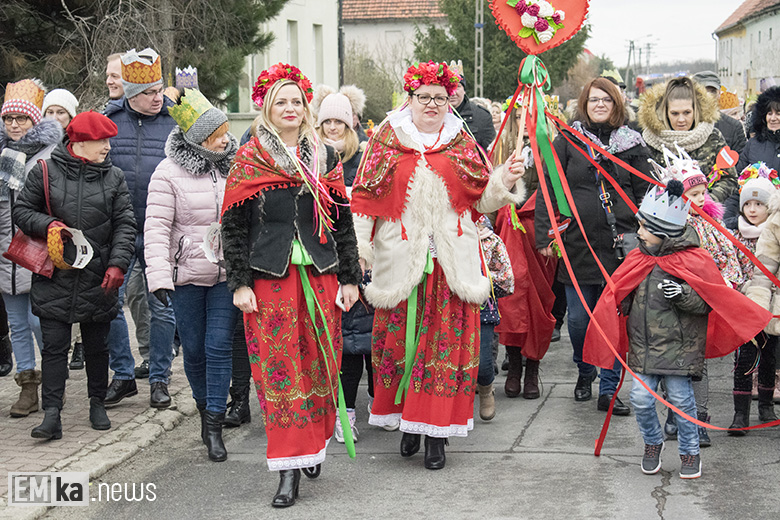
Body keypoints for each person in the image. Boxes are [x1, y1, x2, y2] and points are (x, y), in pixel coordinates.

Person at [351, 60, 524, 470]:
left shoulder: (461, 143)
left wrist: (504, 179)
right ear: (409, 99)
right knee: (401, 349)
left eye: (440, 98)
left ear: (451, 102)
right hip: (400, 264)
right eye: (424, 97)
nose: (432, 104)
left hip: (450, 266)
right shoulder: (386, 140)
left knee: (441, 353)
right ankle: (410, 423)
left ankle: (435, 438)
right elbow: (364, 201)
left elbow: (481, 201)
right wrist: (360, 250)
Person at [220, 62, 361, 507]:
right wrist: (240, 283)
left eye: (296, 102)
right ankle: (288, 469)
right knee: (281, 372)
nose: (289, 108)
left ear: (306, 109)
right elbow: (233, 225)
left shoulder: (326, 156)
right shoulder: (250, 158)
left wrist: (351, 277)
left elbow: (342, 221)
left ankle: (313, 443)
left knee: (320, 364)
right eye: (280, 101)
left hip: (320, 275)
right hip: (269, 279)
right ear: (266, 107)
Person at [583, 174, 772, 480]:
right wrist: (619, 303)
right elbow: (622, 294)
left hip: (681, 351)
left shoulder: (694, 260)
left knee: (683, 404)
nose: (639, 232)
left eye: (645, 228)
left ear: (664, 233)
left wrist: (684, 295)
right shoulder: (637, 258)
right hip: (645, 347)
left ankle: (690, 451)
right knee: (641, 400)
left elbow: (708, 302)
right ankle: (652, 443)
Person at [13, 111, 135, 440]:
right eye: (102, 140)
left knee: (98, 347)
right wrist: (49, 224)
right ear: (79, 143)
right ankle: (52, 414)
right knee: (54, 348)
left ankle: (97, 403)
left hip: (99, 276)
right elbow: (22, 211)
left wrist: (118, 264)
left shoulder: (115, 178)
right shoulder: (44, 172)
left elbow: (126, 225)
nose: (108, 146)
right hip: (55, 276)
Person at [535, 77, 651, 414]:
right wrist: (544, 234)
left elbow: (645, 193)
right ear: (584, 104)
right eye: (594, 100)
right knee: (579, 322)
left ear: (617, 104)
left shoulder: (633, 144)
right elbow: (546, 187)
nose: (600, 105)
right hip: (577, 245)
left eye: (607, 100)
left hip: (621, 248)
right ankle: (585, 370)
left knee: (613, 318)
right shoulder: (568, 141)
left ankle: (609, 388)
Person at [144, 88, 239, 461]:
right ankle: (204, 409)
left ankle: (215, 424)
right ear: (198, 139)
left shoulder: (235, 165)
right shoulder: (168, 173)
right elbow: (155, 228)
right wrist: (159, 277)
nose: (225, 138)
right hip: (185, 276)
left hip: (226, 274)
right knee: (195, 350)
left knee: (218, 346)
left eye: (226, 131)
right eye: (217, 134)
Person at [103, 48, 177, 409]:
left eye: (160, 89)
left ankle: (160, 378)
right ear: (131, 93)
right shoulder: (108, 121)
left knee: (160, 306)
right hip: (117, 230)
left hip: (159, 229)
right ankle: (122, 374)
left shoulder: (175, 124)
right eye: (149, 92)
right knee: (109, 303)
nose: (157, 97)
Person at [312, 87, 376, 441]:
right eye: (327, 122)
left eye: (339, 121)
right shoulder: (312, 158)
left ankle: (378, 400)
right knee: (348, 343)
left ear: (350, 125)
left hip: (366, 257)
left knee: (373, 340)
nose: (333, 128)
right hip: (329, 259)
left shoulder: (363, 159)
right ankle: (345, 410)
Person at [1, 79, 62, 418]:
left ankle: (55, 381)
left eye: (21, 119)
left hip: (38, 249)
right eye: (8, 118)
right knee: (18, 324)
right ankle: (27, 386)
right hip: (3, 252)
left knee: (41, 322)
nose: (14, 125)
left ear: (35, 121)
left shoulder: (49, 156)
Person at [493, 97, 558, 400]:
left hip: (541, 234)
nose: (526, 122)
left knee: (539, 302)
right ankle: (515, 364)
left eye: (533, 117)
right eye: (520, 117)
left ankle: (533, 367)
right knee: (513, 299)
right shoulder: (502, 152)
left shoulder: (554, 153)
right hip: (509, 233)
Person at [730, 171, 779, 434]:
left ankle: (766, 406)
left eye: (759, 204)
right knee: (746, 356)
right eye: (748, 203)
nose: (752, 209)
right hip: (744, 304)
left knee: (770, 354)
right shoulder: (732, 235)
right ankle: (741, 413)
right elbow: (728, 266)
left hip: (773, 305)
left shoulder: (775, 229)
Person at [638, 77, 737, 203]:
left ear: (696, 111)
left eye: (687, 112)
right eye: (674, 113)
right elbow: (642, 184)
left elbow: (729, 179)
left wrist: (705, 201)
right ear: (664, 113)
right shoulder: (649, 141)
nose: (681, 120)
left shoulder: (713, 137)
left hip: (705, 214)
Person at [724, 87, 780, 229]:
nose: (773, 118)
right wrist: (728, 220)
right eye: (769, 113)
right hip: (753, 221)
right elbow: (737, 185)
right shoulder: (753, 145)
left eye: (778, 113)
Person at [476, 215, 514, 420]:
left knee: (483, 362)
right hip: (450, 308)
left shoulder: (490, 241)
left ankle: (485, 389)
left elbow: (507, 280)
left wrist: (481, 279)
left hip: (482, 307)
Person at [691, 71, 747, 154]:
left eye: (712, 91)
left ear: (719, 93)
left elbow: (741, 162)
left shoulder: (733, 127)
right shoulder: (681, 124)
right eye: (701, 91)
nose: (708, 96)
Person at [448, 64, 496, 151]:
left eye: (457, 87)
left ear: (464, 90)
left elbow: (490, 152)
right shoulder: (434, 116)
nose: (453, 93)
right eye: (449, 87)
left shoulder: (482, 116)